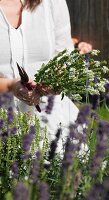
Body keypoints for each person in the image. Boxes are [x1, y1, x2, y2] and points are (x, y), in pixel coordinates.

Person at [0, 0, 92, 151]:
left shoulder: (51, 3)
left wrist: (54, 81)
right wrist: (11, 86)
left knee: (63, 172)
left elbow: (64, 56)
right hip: (5, 124)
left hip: (51, 120)